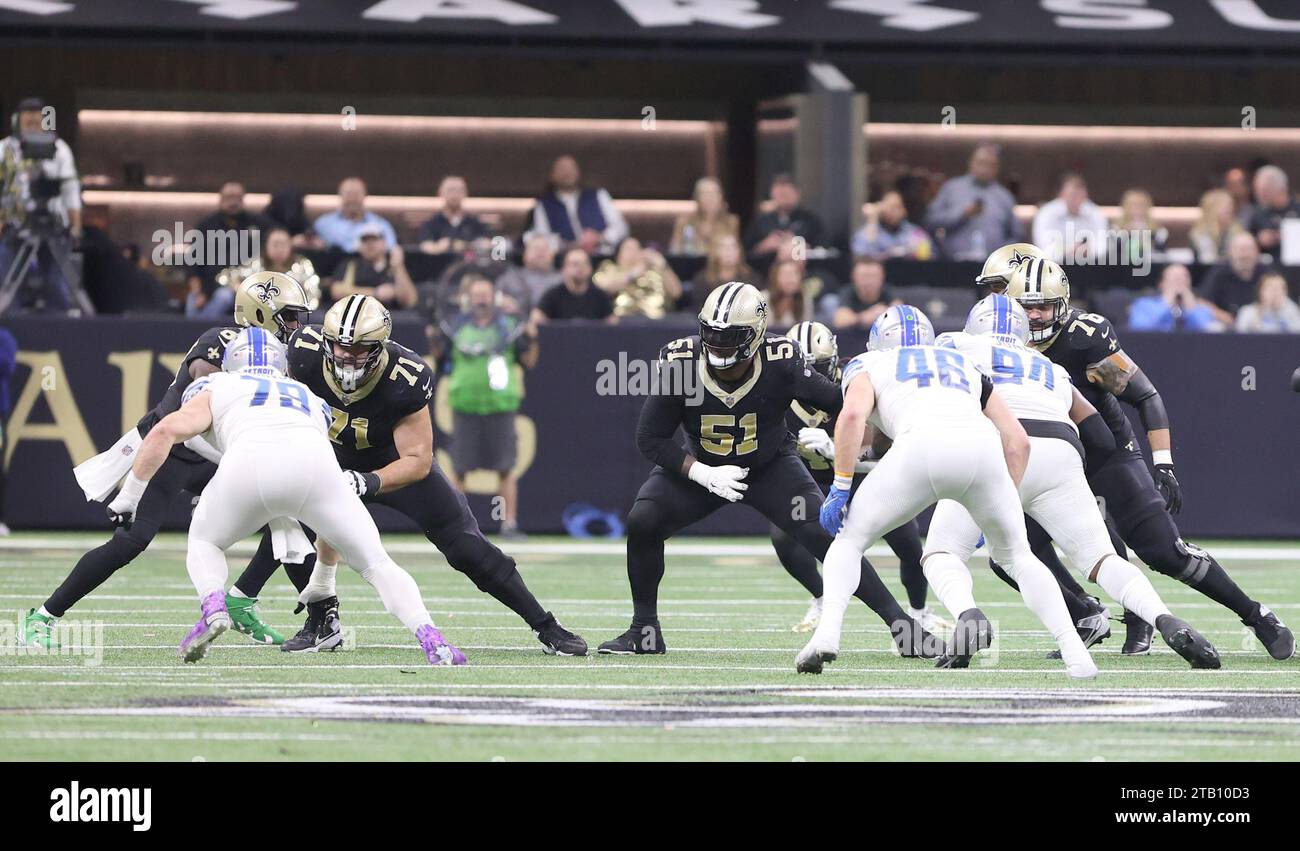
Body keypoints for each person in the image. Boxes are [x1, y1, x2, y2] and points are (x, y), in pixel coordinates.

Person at [230, 295, 587, 656]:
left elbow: (417, 460)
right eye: (341, 347)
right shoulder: (303, 354)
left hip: (392, 462)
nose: (347, 357)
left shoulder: (405, 377)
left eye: (360, 350)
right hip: (330, 455)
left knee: (466, 547)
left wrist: (365, 481)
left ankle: (545, 625)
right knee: (290, 527)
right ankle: (322, 621)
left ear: (379, 347)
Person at [596, 282, 938, 658]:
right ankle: (644, 631)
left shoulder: (781, 360)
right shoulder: (682, 363)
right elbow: (650, 438)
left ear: (756, 335)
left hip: (769, 467)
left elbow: (845, 401)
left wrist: (873, 440)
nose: (719, 344)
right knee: (643, 520)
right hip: (703, 468)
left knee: (829, 540)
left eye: (731, 337)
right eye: (712, 333)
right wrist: (701, 473)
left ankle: (903, 628)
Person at [103, 327, 468, 666]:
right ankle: (430, 637)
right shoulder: (309, 395)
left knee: (204, 542)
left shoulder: (217, 384)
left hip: (247, 465)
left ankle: (214, 605)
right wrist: (323, 577)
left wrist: (129, 498)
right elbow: (314, 478)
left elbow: (166, 430)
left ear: (231, 362)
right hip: (316, 469)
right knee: (378, 564)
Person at [1000, 253, 1293, 660]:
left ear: (1062, 304)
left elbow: (1145, 396)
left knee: (1161, 550)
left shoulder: (1084, 337)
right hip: (1048, 456)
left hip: (1104, 451)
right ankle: (1085, 614)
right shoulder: (999, 340)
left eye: (1042, 307)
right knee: (1011, 547)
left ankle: (1255, 614)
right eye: (1024, 308)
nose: (1033, 317)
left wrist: (1163, 462)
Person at [797, 304, 1098, 678]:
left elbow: (853, 416)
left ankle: (827, 636)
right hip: (983, 453)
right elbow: (1017, 440)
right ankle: (1077, 655)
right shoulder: (962, 363)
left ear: (877, 342)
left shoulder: (866, 364)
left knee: (848, 540)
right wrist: (1005, 499)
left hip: (921, 447)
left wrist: (840, 484)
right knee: (1019, 557)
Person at [19, 273, 312, 651]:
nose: (295, 326)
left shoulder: (281, 355)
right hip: (172, 451)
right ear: (261, 312)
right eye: (288, 316)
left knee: (289, 512)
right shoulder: (219, 344)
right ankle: (43, 615)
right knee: (131, 542)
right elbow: (199, 411)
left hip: (222, 457)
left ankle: (247, 601)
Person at [924, 295, 1220, 669]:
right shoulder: (1046, 365)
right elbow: (1098, 434)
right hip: (1060, 451)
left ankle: (968, 615)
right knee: (1102, 560)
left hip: (995, 449)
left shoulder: (951, 345)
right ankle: (1163, 618)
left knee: (944, 552)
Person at [778, 321, 940, 633]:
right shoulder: (777, 391)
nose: (808, 377)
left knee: (908, 543)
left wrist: (839, 451)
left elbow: (881, 453)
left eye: (818, 368)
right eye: (801, 369)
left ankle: (920, 611)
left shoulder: (858, 380)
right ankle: (821, 597)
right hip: (811, 481)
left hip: (865, 478)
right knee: (784, 536)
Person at [438, 275, 539, 538]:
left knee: (506, 467)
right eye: (476, 294)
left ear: (494, 297)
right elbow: (440, 358)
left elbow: (528, 361)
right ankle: (458, 526)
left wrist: (532, 338)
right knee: (460, 468)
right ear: (468, 298)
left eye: (486, 294)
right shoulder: (455, 327)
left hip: (500, 405)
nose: (481, 299)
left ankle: (509, 524)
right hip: (465, 404)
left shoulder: (509, 327)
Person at [0, 96, 84, 312]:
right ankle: (12, 331)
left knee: (57, 283)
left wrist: (75, 226)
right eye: (27, 120)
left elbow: (70, 189)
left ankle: (59, 331)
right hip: (15, 225)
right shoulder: (4, 150)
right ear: (18, 121)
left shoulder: (59, 149)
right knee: (7, 281)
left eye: (36, 120)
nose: (32, 124)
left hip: (54, 225)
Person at [923, 143, 1019, 261]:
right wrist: (962, 214)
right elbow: (931, 221)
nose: (984, 168)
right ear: (971, 163)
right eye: (981, 162)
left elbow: (1016, 235)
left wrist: (1001, 256)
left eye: (990, 164)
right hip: (951, 265)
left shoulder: (1005, 196)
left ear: (997, 168)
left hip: (993, 269)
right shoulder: (951, 189)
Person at [525, 155, 627, 253]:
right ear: (552, 175)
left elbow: (621, 228)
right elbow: (543, 238)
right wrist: (571, 245)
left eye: (571, 168)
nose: (567, 172)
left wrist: (599, 237)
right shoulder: (544, 204)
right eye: (562, 169)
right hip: (564, 263)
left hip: (602, 257)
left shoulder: (598, 195)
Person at [219, 226, 321, 310]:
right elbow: (225, 276)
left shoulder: (302, 265)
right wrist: (238, 286)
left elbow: (313, 296)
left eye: (284, 244)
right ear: (266, 246)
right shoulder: (257, 264)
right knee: (223, 295)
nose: (280, 249)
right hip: (257, 312)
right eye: (275, 244)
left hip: (294, 314)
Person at [326, 224, 417, 310]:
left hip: (393, 319)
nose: (370, 244)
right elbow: (337, 291)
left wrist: (398, 266)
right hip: (358, 318)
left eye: (374, 239)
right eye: (365, 240)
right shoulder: (350, 265)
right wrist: (375, 293)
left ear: (384, 242)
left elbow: (409, 301)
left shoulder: (395, 266)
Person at [592, 236, 681, 319]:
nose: (634, 252)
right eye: (629, 249)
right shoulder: (610, 267)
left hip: (657, 319)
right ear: (618, 254)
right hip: (623, 319)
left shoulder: (654, 269)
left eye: (637, 249)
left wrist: (663, 265)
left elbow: (676, 293)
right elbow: (601, 287)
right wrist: (633, 273)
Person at [743, 174, 825, 260]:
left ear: (797, 194)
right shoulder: (760, 222)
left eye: (787, 194)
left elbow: (823, 250)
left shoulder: (810, 220)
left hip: (802, 270)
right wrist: (763, 247)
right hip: (766, 269)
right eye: (780, 195)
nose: (784, 199)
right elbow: (745, 254)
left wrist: (800, 247)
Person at [1031, 172, 1108, 264]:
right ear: (1061, 195)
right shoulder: (1046, 213)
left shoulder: (1095, 213)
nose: (1076, 199)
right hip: (1055, 266)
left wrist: (1088, 250)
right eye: (1072, 195)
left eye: (1080, 195)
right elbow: (1043, 248)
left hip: (1090, 265)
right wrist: (1069, 251)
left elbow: (1103, 246)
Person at [1200, 231, 1271, 323]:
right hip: (1226, 327)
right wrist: (1224, 317)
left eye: (1249, 249)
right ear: (1230, 252)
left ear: (1257, 252)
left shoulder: (1266, 273)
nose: (1245, 255)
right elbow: (1203, 302)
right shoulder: (1219, 272)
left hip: (1260, 325)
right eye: (1241, 249)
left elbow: (1282, 300)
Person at [313, 177, 398, 252]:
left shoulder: (381, 225)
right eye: (348, 194)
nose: (352, 199)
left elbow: (391, 252)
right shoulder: (323, 224)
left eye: (357, 194)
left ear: (365, 195)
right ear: (340, 195)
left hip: (368, 269)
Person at [1127, 263, 1220, 332]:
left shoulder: (1200, 308)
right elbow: (1139, 329)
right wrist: (1166, 303)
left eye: (1184, 279)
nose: (1180, 283)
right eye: (1175, 279)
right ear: (1162, 284)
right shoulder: (1144, 305)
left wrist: (1191, 308)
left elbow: (1209, 332)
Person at [532, 248, 614, 323]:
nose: (580, 268)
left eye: (584, 264)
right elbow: (535, 321)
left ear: (590, 268)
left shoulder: (600, 296)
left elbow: (613, 323)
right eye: (575, 264)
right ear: (564, 268)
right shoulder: (552, 295)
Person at [417, 175, 489, 254]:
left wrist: (466, 245)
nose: (454, 195)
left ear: (466, 193)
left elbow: (488, 243)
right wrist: (438, 247)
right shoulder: (431, 223)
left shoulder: (475, 222)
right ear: (440, 193)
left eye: (459, 191)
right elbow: (425, 246)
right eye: (450, 190)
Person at [851, 191, 932, 260]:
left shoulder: (914, 232)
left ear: (904, 210)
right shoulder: (868, 230)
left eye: (897, 207)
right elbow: (862, 255)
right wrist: (872, 219)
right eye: (888, 206)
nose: (892, 211)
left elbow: (930, 256)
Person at [494, 233, 560, 317]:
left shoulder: (562, 280)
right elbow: (494, 296)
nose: (540, 253)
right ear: (524, 254)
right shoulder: (510, 278)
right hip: (517, 324)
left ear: (552, 255)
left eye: (544, 249)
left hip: (553, 325)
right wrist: (501, 301)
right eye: (536, 249)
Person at [670, 176, 739, 256]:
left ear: (721, 197)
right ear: (696, 198)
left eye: (714, 193)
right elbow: (674, 251)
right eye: (704, 193)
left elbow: (735, 253)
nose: (710, 198)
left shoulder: (731, 222)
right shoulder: (684, 222)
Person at [690, 234, 757, 310]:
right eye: (723, 247)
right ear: (715, 252)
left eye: (733, 246)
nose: (729, 251)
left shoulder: (751, 278)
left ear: (740, 252)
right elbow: (698, 310)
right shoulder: (702, 279)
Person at [1242, 165, 1300, 252]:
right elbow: (1245, 239)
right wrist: (1258, 240)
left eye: (1263, 190)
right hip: (1266, 262)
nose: (1257, 195)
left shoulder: (1297, 209)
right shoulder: (1257, 213)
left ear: (1278, 189)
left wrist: (1283, 236)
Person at [829, 258, 897, 331]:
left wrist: (884, 314)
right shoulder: (847, 292)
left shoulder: (890, 292)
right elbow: (839, 320)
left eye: (872, 276)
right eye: (863, 276)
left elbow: (899, 315)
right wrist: (863, 317)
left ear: (882, 276)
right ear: (853, 276)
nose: (868, 281)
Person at [1189, 188, 1246, 264]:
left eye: (1231, 206)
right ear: (1213, 210)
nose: (1230, 209)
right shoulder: (1200, 233)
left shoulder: (1237, 229)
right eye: (1226, 207)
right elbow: (1208, 259)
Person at [1235, 272, 1300, 333]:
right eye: (1271, 288)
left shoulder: (1292, 310)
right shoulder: (1247, 312)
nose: (1275, 293)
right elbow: (1240, 337)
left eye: (1280, 289)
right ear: (1260, 291)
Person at [763, 259, 813, 327]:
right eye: (786, 274)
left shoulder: (804, 299)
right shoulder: (763, 298)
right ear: (775, 278)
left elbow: (806, 328)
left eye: (795, 274)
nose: (791, 279)